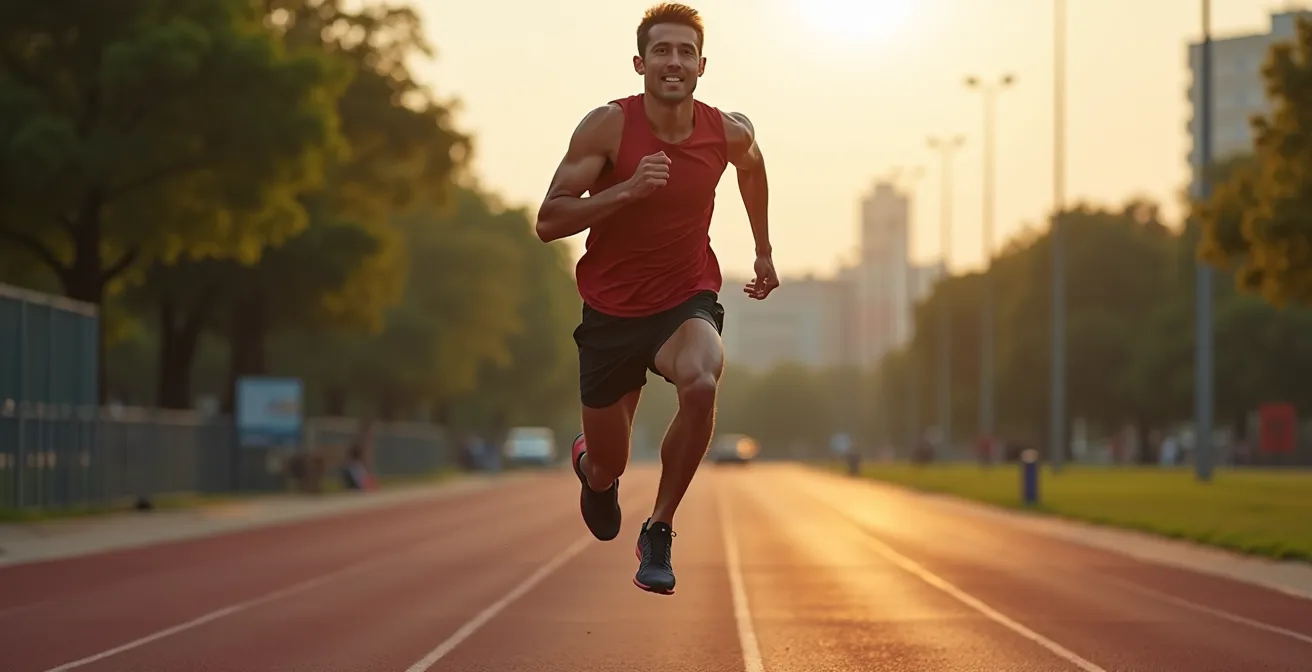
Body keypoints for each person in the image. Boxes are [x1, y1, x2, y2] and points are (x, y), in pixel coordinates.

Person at [535, 2, 778, 596]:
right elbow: (549, 220)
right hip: (611, 311)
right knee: (609, 467)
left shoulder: (727, 131)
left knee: (701, 381)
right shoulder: (607, 127)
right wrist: (625, 191)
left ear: (701, 66)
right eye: (662, 51)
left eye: (685, 52)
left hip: (683, 298)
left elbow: (752, 168)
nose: (674, 62)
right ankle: (592, 467)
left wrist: (763, 250)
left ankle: (660, 528)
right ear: (641, 63)